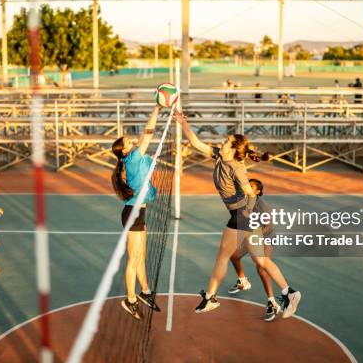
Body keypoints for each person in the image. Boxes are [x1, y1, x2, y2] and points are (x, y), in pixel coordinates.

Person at [175, 108, 301, 318]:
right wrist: (182, 123)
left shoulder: (236, 167)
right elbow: (196, 143)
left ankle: (210, 298)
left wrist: (246, 215)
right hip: (244, 216)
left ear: (233, 149)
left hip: (241, 214)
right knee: (260, 261)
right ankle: (290, 292)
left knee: (222, 257)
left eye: (227, 141)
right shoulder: (219, 155)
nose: (223, 143)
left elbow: (251, 193)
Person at [111, 104, 162, 321]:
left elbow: (145, 138)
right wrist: (158, 108)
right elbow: (147, 133)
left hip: (138, 213)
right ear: (123, 150)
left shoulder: (133, 159)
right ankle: (130, 300)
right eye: (128, 142)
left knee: (140, 256)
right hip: (132, 214)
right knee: (133, 259)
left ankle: (145, 292)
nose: (133, 142)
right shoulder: (131, 159)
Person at [226, 179, 280, 321]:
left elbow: (268, 225)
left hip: (265, 237)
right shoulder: (242, 200)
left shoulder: (262, 205)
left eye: (251, 186)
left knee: (261, 268)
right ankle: (243, 281)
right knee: (233, 255)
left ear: (257, 191)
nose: (247, 187)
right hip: (250, 235)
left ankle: (272, 303)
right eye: (247, 185)